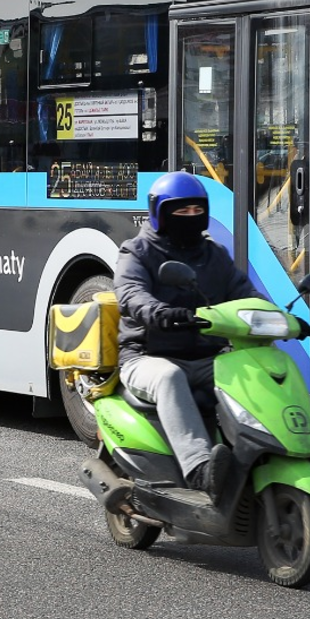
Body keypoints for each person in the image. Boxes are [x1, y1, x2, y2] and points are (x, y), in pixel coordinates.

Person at [114, 172, 259, 496]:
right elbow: (131, 293)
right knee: (169, 377)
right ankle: (200, 470)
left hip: (207, 356)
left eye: (197, 210)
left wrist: (276, 315)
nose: (190, 216)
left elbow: (244, 293)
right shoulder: (136, 252)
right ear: (160, 213)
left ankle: (272, 452)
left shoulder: (214, 255)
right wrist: (161, 313)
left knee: (256, 370)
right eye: (181, 211)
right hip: (147, 356)